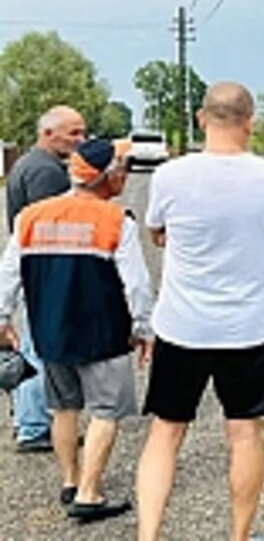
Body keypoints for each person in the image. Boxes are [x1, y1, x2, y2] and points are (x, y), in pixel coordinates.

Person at [135, 82, 264, 541]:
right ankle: (239, 537)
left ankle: (149, 536)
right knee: (243, 434)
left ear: (202, 119)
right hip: (247, 329)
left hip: (182, 326)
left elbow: (157, 230)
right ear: (250, 122)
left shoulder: (170, 176)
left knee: (166, 433)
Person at [0, 138, 153, 523]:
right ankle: (89, 493)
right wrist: (144, 328)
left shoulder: (30, 218)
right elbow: (135, 285)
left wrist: (2, 319)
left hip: (50, 331)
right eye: (122, 167)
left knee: (63, 408)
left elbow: (8, 275)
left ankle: (70, 481)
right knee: (106, 410)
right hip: (103, 334)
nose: (125, 174)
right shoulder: (117, 221)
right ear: (107, 176)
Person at [4, 106, 84, 453]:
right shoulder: (46, 173)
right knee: (39, 348)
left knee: (36, 345)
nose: (80, 140)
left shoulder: (31, 164)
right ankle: (34, 424)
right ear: (49, 133)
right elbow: (51, 227)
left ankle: (33, 420)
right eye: (73, 133)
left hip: (32, 269)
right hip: (43, 272)